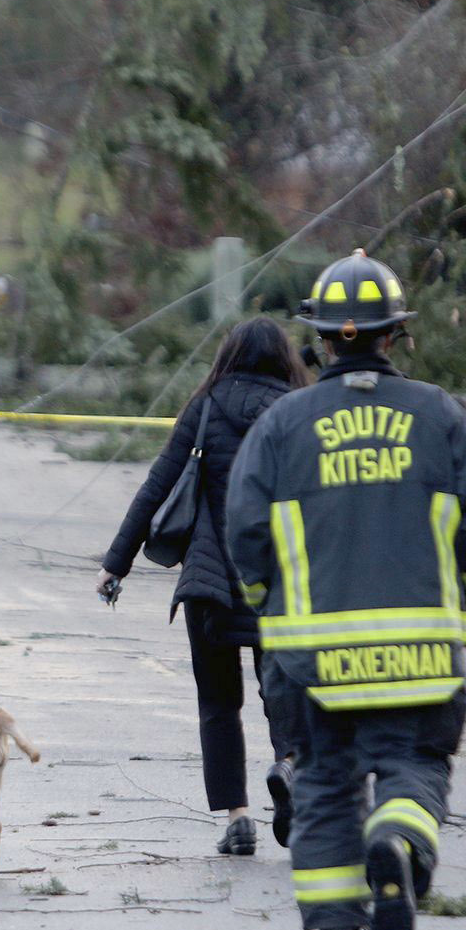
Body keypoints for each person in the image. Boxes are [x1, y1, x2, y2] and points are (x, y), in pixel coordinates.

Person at [227, 251, 466, 930]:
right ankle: (400, 841)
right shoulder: (440, 415)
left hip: (312, 662)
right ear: (392, 335)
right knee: (414, 765)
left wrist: (269, 608)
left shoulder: (284, 425)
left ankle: (336, 926)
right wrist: (458, 593)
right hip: (420, 653)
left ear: (320, 340)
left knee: (319, 781)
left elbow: (245, 531)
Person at [95, 317, 310, 857]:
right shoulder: (297, 409)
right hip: (279, 580)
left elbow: (158, 485)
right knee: (282, 688)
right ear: (284, 357)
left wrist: (115, 563)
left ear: (229, 354)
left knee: (218, 702)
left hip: (210, 580)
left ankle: (237, 815)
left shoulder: (207, 404)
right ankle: (289, 765)